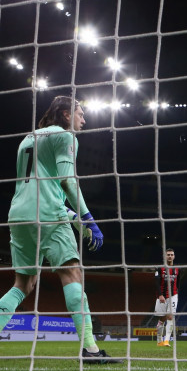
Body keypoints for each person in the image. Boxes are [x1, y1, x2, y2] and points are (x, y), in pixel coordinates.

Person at [0, 96, 120, 364]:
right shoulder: (66, 137)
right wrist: (89, 219)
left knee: (24, 284)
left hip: (18, 214)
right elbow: (66, 181)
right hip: (46, 214)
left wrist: (76, 220)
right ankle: (90, 350)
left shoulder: (28, 138)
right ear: (66, 115)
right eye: (81, 113)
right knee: (72, 273)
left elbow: (43, 191)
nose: (84, 119)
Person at [154, 248, 181, 347]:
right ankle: (159, 340)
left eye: (171, 254)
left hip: (173, 295)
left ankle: (167, 340)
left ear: (174, 256)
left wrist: (176, 293)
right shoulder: (159, 268)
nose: (170, 256)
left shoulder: (177, 269)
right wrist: (160, 295)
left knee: (170, 316)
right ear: (165, 256)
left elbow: (178, 283)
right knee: (162, 319)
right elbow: (156, 282)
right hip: (162, 296)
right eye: (168, 254)